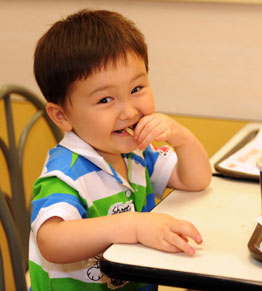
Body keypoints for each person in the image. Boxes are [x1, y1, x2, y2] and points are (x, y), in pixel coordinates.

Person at [29, 9, 212, 290]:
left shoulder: (137, 150)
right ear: (62, 116)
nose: (129, 111)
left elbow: (196, 180)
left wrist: (181, 137)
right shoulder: (66, 172)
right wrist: (135, 226)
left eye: (137, 88)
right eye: (105, 99)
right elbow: (51, 241)